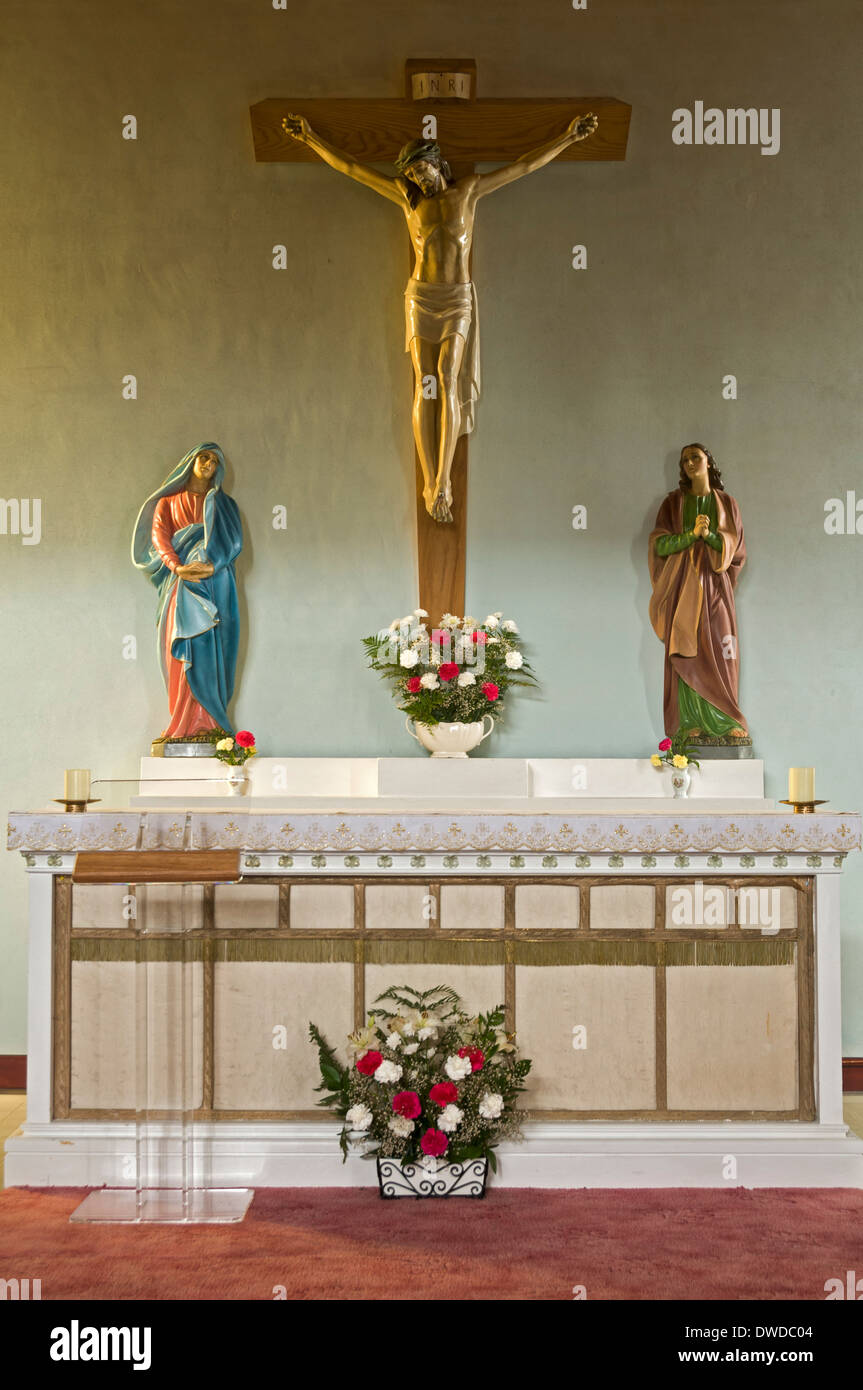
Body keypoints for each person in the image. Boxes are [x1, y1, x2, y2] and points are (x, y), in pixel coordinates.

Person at [282, 112, 598, 522]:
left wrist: (567, 138)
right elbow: (352, 168)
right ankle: (429, 476)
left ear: (438, 164)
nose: (418, 179)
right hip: (420, 298)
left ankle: (442, 480)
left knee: (447, 375)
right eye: (412, 174)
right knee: (424, 384)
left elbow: (523, 165)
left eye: (422, 169)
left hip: (456, 300)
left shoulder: (468, 191)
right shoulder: (406, 197)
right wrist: (311, 139)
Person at [131, 443, 242, 741]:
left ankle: (210, 723)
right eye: (203, 457)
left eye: (214, 461)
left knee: (210, 647)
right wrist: (177, 567)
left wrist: (212, 565)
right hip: (181, 585)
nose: (208, 463)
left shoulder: (225, 505)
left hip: (215, 585)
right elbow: (159, 537)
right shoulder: (167, 503)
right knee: (182, 647)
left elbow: (233, 542)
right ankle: (182, 724)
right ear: (190, 461)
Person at [648, 443, 748, 741]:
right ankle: (688, 721)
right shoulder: (673, 504)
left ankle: (725, 718)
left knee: (720, 648)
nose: (690, 463)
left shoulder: (727, 504)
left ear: (708, 462)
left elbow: (738, 550)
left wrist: (711, 536)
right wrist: (691, 536)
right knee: (688, 646)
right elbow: (659, 545)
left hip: (717, 588)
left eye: (695, 457)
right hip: (683, 587)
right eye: (685, 460)